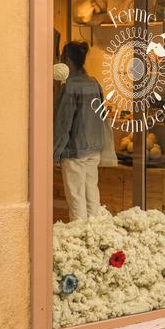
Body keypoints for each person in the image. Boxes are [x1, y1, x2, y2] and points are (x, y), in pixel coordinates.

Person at [54, 41, 106, 220]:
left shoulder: (70, 87)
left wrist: (54, 154)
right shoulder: (94, 83)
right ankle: (94, 236)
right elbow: (102, 117)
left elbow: (63, 125)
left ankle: (79, 238)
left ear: (66, 59)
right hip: (94, 149)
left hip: (75, 150)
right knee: (92, 196)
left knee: (76, 200)